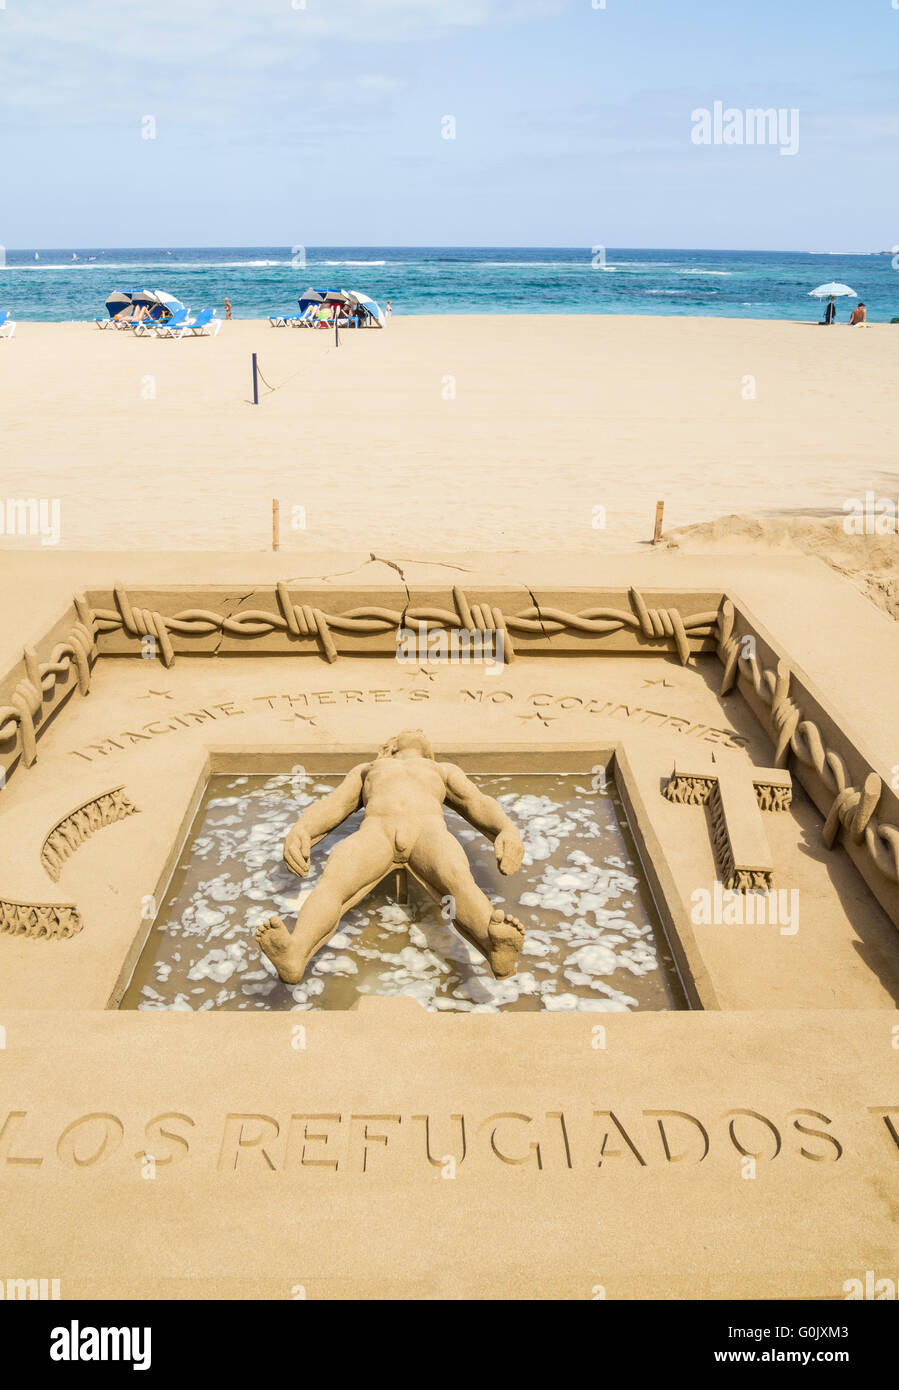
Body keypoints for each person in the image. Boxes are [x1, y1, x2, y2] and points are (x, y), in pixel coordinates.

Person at [255, 729, 526, 984]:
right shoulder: (369, 769)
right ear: (392, 745)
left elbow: (475, 802)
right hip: (376, 831)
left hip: (428, 831)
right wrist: (303, 829)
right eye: (410, 730)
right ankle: (294, 954)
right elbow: (335, 805)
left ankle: (495, 949)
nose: (417, 730)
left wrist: (506, 828)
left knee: (458, 883)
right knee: (333, 884)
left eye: (420, 731)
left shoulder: (441, 769)